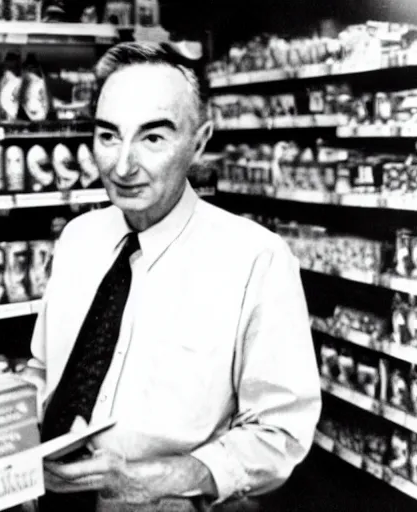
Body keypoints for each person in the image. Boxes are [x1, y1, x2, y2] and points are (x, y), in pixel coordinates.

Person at [26, 41, 321, 512]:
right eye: (107, 136)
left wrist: (160, 480)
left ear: (199, 141)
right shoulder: (78, 239)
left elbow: (280, 432)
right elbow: (44, 371)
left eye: (153, 138)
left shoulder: (255, 259)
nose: (122, 166)